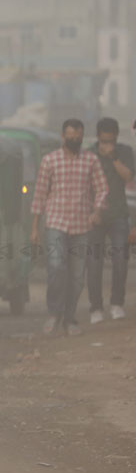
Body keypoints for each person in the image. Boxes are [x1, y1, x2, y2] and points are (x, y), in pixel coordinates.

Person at [30, 118, 108, 337]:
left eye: (78, 136)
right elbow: (39, 195)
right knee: (56, 267)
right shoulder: (50, 161)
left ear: (83, 137)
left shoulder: (91, 161)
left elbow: (102, 189)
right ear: (63, 136)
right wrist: (35, 228)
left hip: (82, 226)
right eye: (71, 136)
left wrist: (97, 210)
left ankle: (70, 318)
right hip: (55, 223)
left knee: (76, 276)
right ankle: (54, 313)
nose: (75, 139)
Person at [86, 118, 133, 324]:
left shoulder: (124, 151)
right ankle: (95, 307)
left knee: (120, 261)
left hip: (118, 215)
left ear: (116, 138)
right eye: (104, 141)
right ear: (98, 137)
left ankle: (117, 303)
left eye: (110, 141)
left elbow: (128, 177)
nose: (106, 144)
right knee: (94, 264)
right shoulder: (88, 154)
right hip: (95, 216)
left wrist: (113, 157)